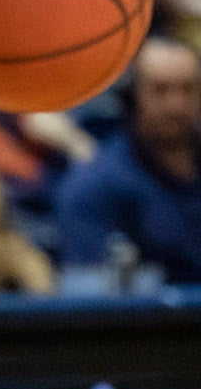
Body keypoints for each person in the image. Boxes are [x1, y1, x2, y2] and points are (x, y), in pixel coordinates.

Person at [56, 35, 201, 282]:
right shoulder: (94, 187)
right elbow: (94, 305)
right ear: (132, 97)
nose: (177, 105)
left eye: (188, 89)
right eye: (160, 90)